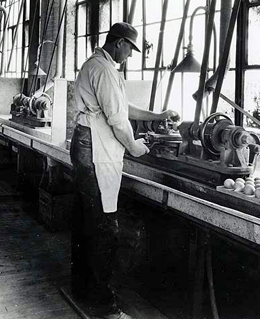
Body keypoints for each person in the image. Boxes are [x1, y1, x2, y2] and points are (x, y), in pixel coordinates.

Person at [70, 22, 180, 319]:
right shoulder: (104, 70)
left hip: (88, 144)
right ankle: (103, 306)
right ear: (117, 43)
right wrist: (134, 147)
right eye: (129, 49)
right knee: (104, 229)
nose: (129, 55)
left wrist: (157, 115)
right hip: (94, 150)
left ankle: (82, 290)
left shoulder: (100, 66)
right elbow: (118, 120)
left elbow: (122, 107)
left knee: (87, 222)